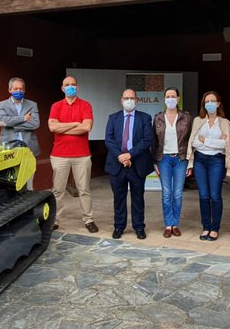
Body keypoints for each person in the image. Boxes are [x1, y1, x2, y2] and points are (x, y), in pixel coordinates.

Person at [47, 75, 97, 232]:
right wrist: (76, 124)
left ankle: (88, 220)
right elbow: (52, 128)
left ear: (77, 87)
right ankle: (54, 220)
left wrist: (63, 127)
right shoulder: (56, 106)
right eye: (67, 85)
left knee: (84, 189)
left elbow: (87, 127)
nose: (70, 87)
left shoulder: (85, 105)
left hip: (82, 155)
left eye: (73, 84)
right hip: (59, 155)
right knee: (57, 190)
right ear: (62, 88)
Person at [104, 88, 154, 239]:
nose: (129, 101)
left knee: (138, 198)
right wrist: (120, 156)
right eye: (126, 98)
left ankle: (139, 227)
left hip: (137, 164)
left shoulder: (145, 118)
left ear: (137, 100)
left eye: (132, 98)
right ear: (121, 100)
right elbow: (109, 139)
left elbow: (147, 140)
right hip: (116, 165)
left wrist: (129, 155)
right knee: (118, 198)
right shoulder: (113, 118)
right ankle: (119, 226)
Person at [185, 91, 230, 241]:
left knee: (215, 195)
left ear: (218, 103)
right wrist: (217, 142)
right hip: (200, 160)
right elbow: (193, 142)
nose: (210, 104)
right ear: (203, 104)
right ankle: (206, 226)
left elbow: (227, 145)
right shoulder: (198, 121)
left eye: (213, 101)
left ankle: (215, 228)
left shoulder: (225, 123)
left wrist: (205, 140)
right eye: (207, 101)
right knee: (203, 195)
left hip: (217, 161)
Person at [151, 87, 192, 238]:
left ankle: (176, 224)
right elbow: (154, 142)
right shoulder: (158, 118)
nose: (170, 99)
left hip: (181, 159)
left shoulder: (186, 118)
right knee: (167, 193)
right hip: (164, 159)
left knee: (178, 194)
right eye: (167, 96)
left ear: (178, 99)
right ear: (164, 99)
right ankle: (168, 225)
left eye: (173, 96)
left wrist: (190, 162)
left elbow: (190, 141)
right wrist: (154, 162)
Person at [0, 77, 40, 155]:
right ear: (10, 90)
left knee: (28, 167)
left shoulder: (32, 105)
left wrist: (13, 125)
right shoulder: (2, 104)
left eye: (21, 89)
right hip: (8, 146)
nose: (18, 91)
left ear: (24, 90)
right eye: (15, 88)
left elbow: (35, 123)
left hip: (29, 146)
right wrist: (24, 118)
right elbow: (2, 121)